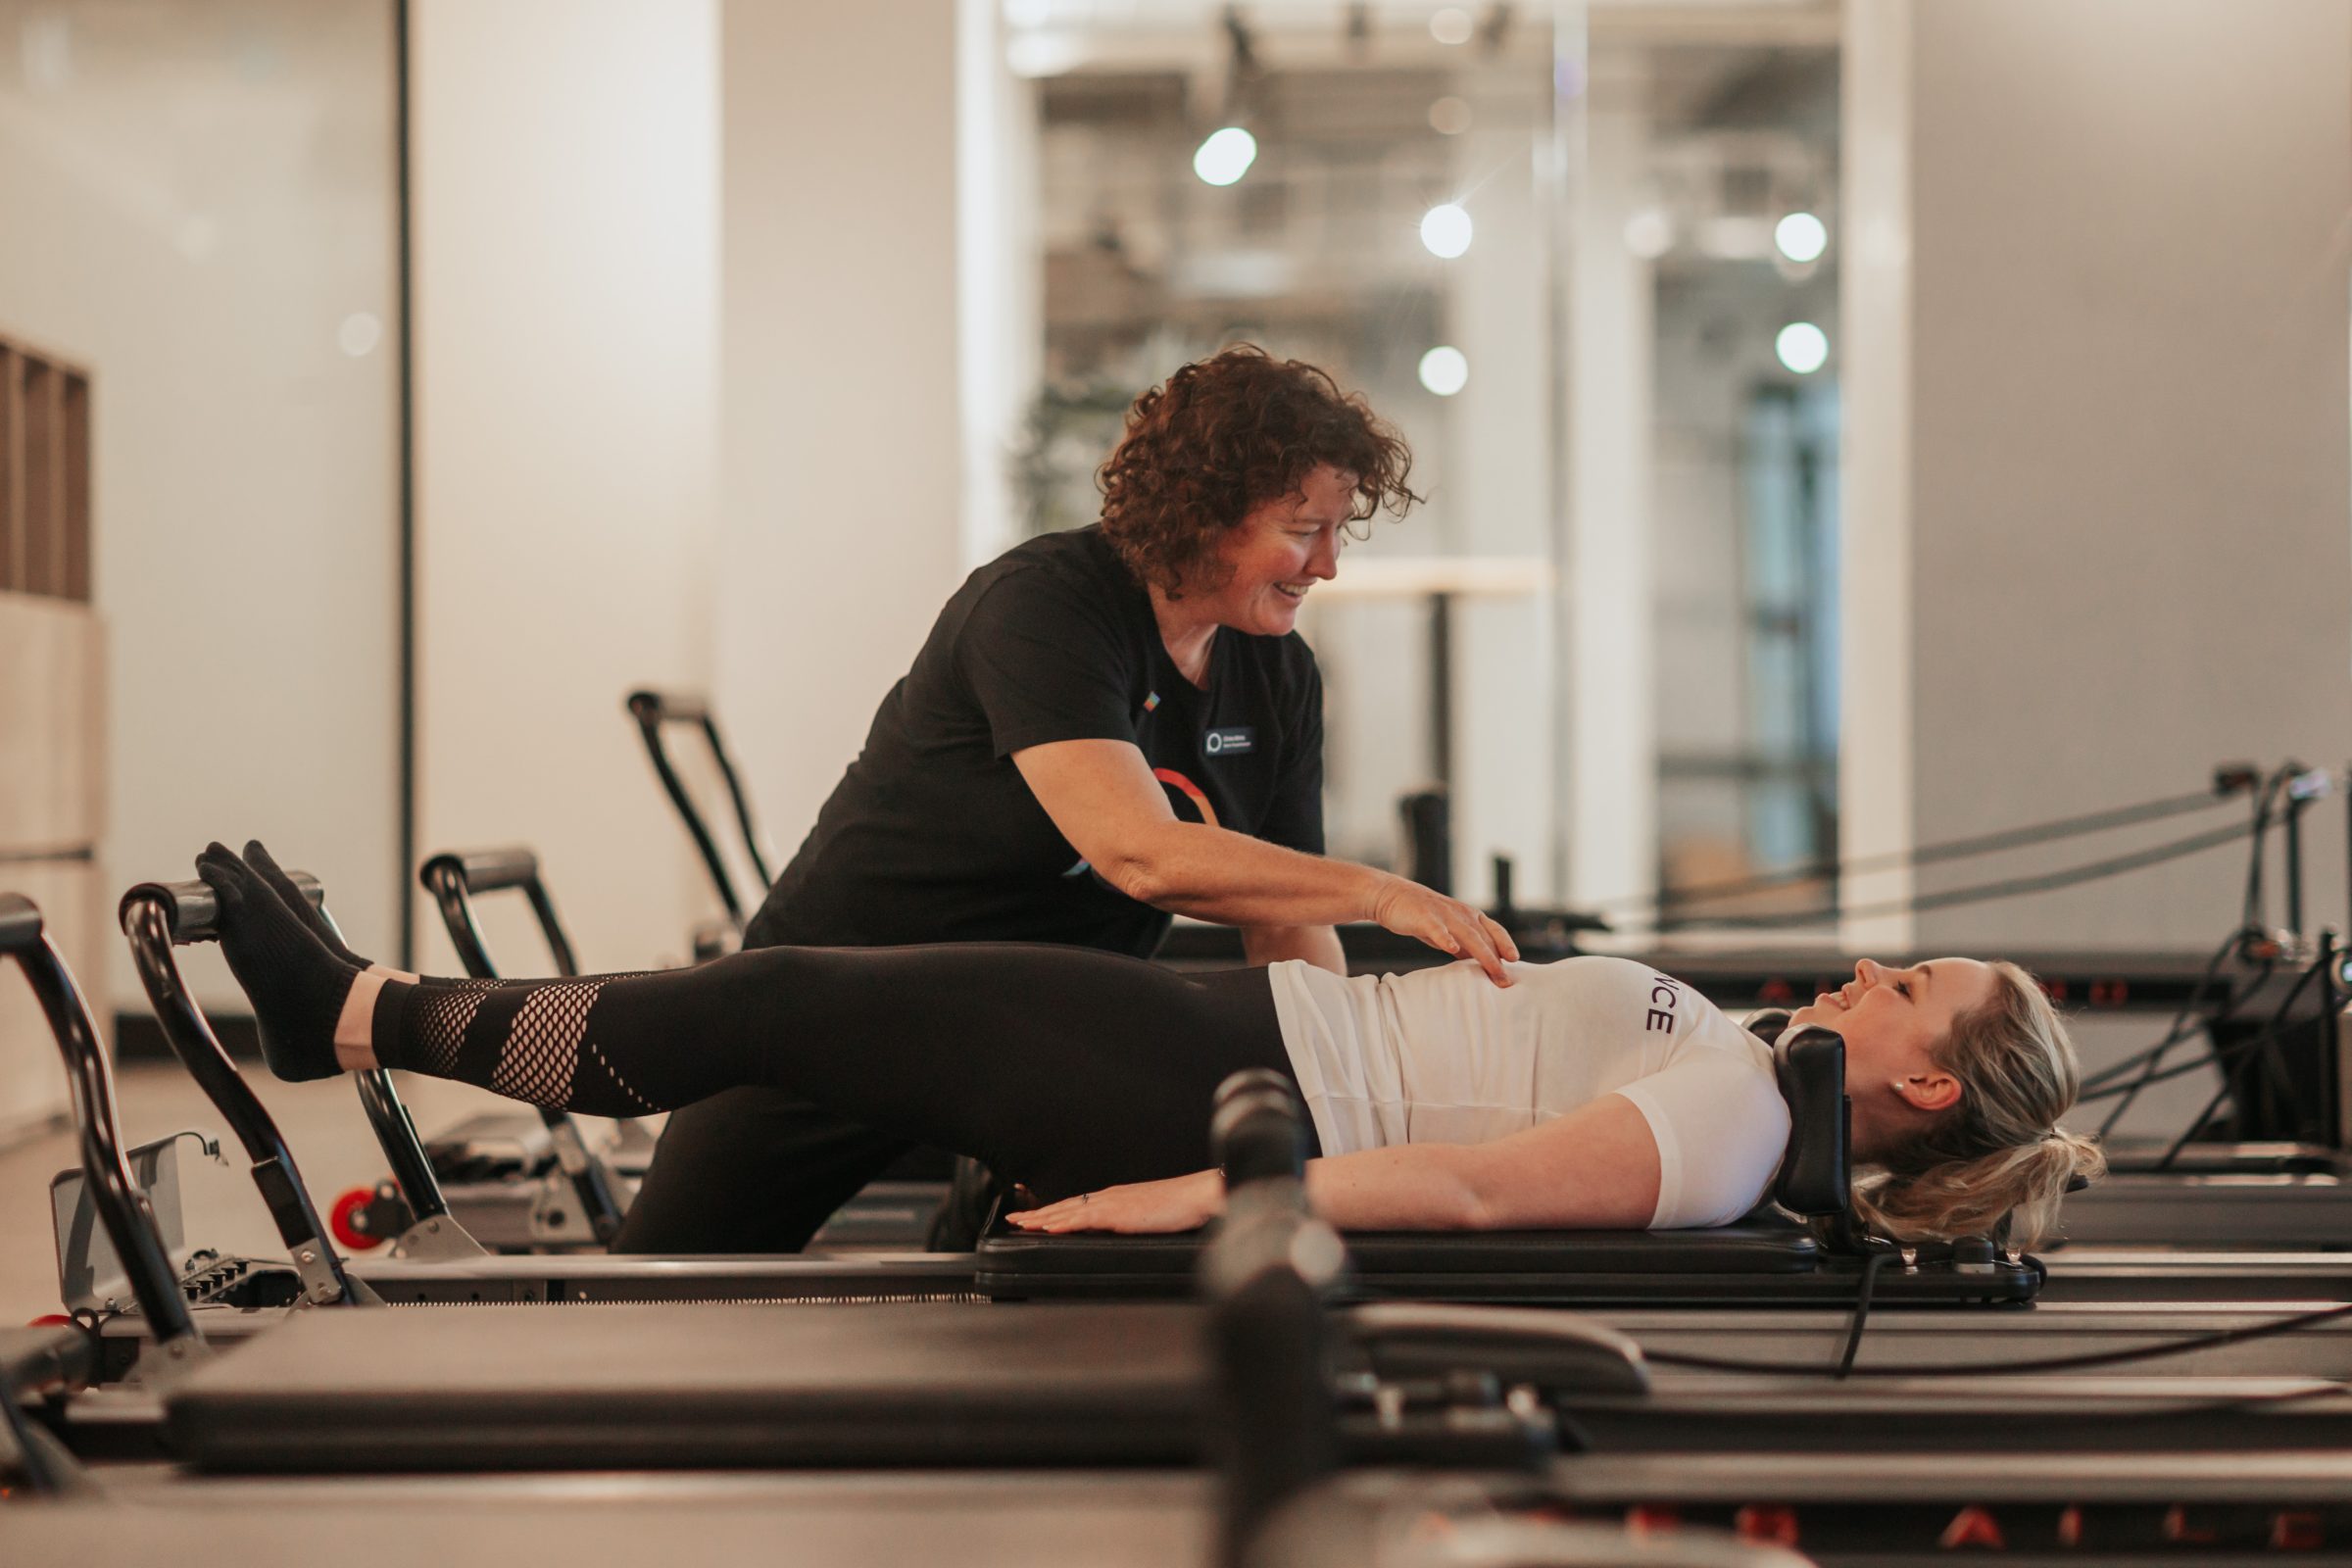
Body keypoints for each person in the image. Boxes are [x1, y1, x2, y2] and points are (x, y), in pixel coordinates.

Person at [619, 345, 1521, 1254]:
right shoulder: (1044, 607)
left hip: (1031, 1040)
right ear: (1204, 512)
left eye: (1338, 531)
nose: (1327, 564)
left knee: (1043, 1294)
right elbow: (1141, 853)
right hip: (836, 1010)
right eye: (1302, 529)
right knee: (666, 1288)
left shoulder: (1280, 674)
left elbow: (1283, 933)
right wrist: (1379, 891)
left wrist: (1341, 1096)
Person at [202, 843, 2105, 1244]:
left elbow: (1453, 1181)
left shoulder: (1733, 1130)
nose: (1869, 970)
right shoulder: (1755, 1071)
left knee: (791, 995)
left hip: (1214, 1093)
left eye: (1908, 987)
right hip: (1240, 1031)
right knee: (807, 1026)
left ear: (1928, 1081)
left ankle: (353, 1013)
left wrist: (1173, 1202)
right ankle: (370, 1011)